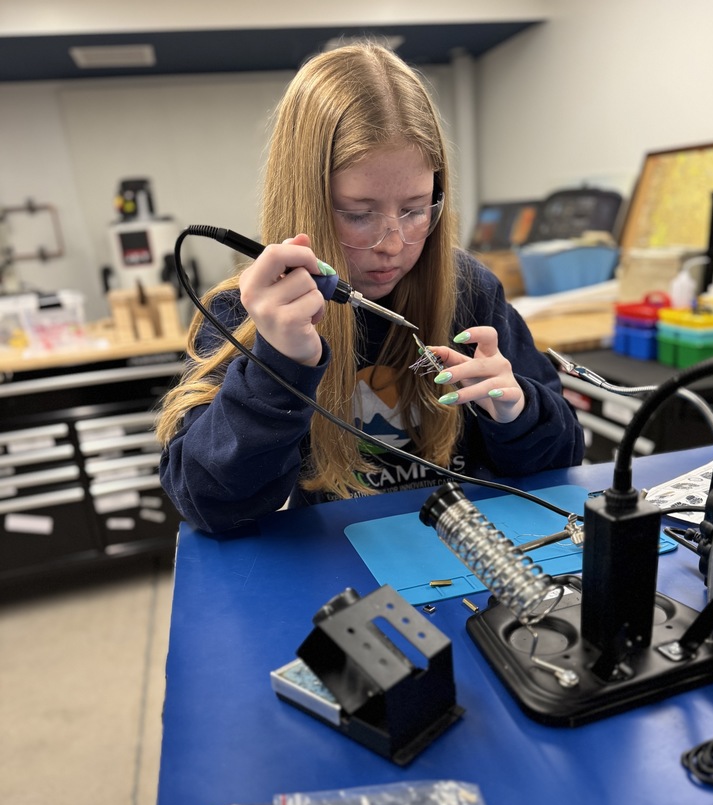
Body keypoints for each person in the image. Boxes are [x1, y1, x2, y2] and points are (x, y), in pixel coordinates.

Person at [156, 41, 584, 534]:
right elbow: (209, 504)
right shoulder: (248, 313)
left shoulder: (471, 291)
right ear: (306, 202)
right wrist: (279, 365)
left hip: (474, 555)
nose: (394, 244)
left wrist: (519, 412)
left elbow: (563, 465)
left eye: (415, 208)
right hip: (337, 574)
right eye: (359, 214)